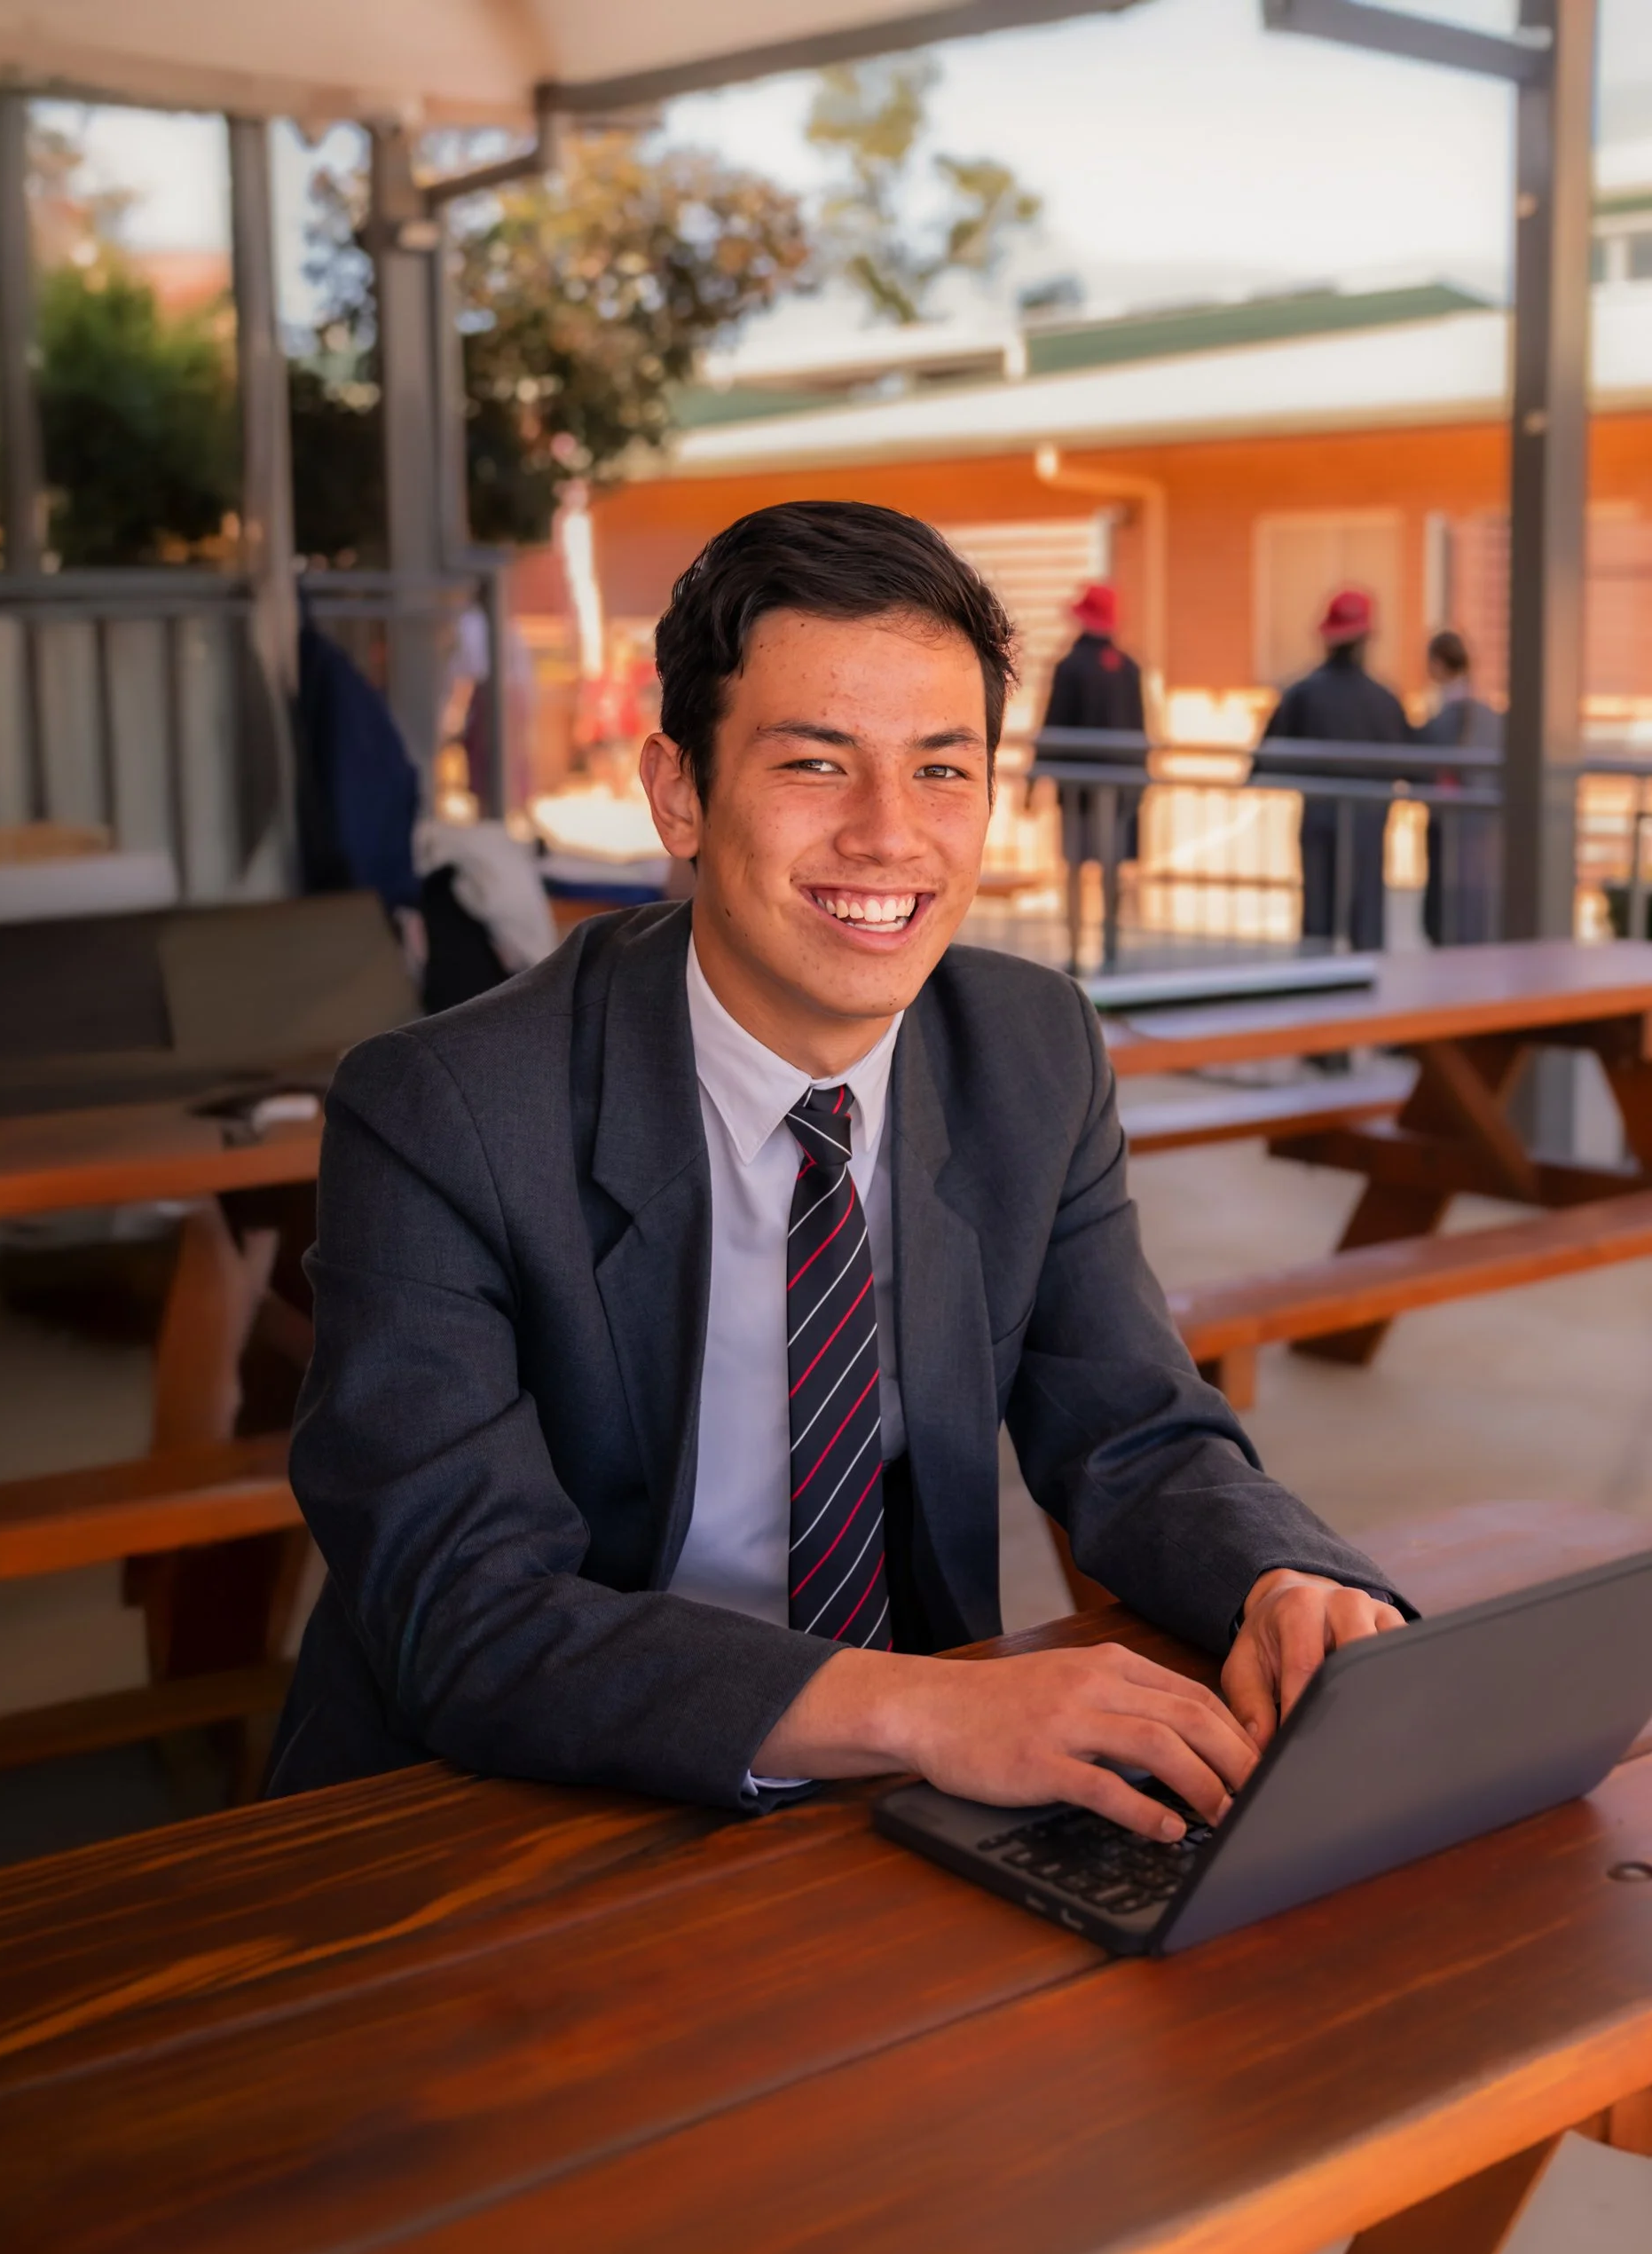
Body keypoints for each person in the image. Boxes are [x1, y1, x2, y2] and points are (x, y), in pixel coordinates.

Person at [269, 501, 1405, 1845]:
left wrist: (1280, 1578)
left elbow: (1132, 1433)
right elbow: (463, 1609)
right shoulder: (446, 1109)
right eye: (816, 765)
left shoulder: (1028, 1050)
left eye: (942, 770)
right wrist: (921, 1710)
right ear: (679, 792)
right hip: (499, 1813)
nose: (888, 836)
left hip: (890, 1806)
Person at [1255, 587, 1408, 950]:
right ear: (1367, 638)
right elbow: (1414, 765)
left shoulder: (1303, 693)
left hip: (1320, 818)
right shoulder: (1384, 701)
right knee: (1367, 920)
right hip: (1369, 823)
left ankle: (1317, 997)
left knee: (1318, 927)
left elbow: (1263, 759)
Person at [1041, 581, 1145, 862]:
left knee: (1078, 858)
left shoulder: (1071, 666)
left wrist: (1037, 773)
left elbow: (1055, 721)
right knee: (1116, 857)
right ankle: (1114, 905)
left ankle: (1078, 905)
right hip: (1124, 785)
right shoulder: (1129, 667)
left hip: (1079, 787)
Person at [1414, 629, 1500, 947]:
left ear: (1437, 664)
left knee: (1448, 898)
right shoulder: (1484, 713)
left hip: (1450, 817)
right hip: (1477, 820)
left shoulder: (1448, 714)